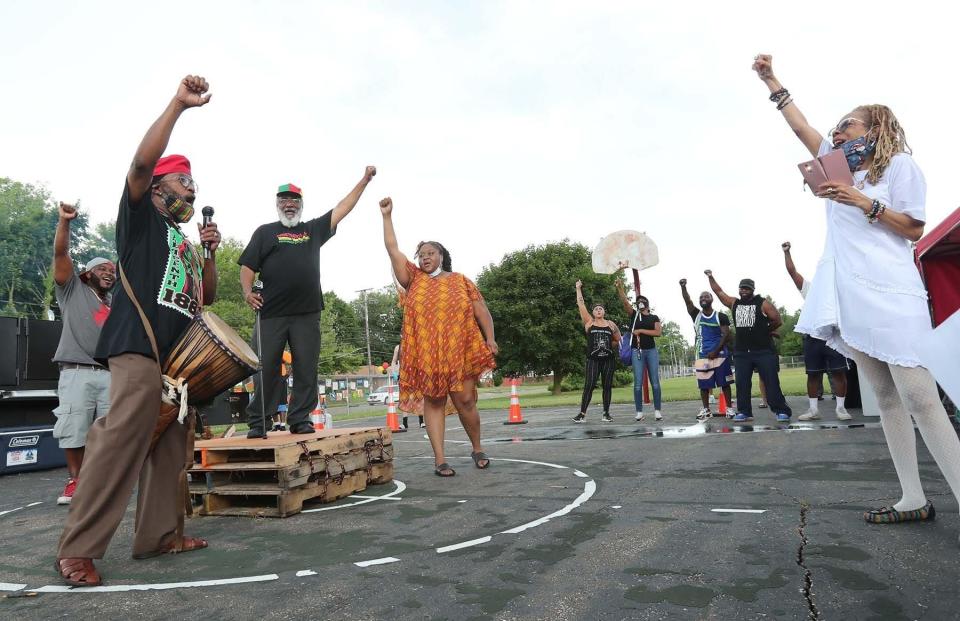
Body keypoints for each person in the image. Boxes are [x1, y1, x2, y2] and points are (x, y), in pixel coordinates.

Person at [753, 54, 960, 528]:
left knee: (920, 396)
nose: (838, 131)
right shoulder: (834, 169)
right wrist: (771, 81)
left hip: (892, 289)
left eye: (848, 124)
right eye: (837, 127)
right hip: (847, 291)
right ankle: (912, 497)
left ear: (876, 128)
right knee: (884, 396)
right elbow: (799, 126)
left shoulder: (901, 167)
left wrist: (863, 202)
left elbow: (913, 227)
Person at [55, 75, 220, 586]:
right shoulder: (139, 221)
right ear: (157, 188)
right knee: (118, 441)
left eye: (193, 181)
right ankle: (77, 548)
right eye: (182, 180)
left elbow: (206, 297)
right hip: (135, 349)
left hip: (175, 361)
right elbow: (141, 164)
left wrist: (210, 251)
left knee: (171, 446)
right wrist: (177, 106)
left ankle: (159, 536)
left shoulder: (182, 242)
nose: (191, 188)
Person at [240, 169, 376, 438]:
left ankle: (300, 418)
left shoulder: (312, 229)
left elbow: (342, 209)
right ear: (277, 204)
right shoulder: (265, 232)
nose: (289, 204)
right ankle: (259, 421)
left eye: (294, 201)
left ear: (300, 205)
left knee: (305, 367)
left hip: (307, 312)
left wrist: (364, 180)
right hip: (270, 313)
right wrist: (247, 293)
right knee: (264, 367)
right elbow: (247, 266)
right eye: (284, 200)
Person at [379, 196, 496, 477]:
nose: (425, 257)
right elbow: (392, 248)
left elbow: (482, 310)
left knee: (466, 400)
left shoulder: (460, 281)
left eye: (431, 253)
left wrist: (490, 339)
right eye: (421, 254)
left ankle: (477, 447)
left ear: (441, 256)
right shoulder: (413, 279)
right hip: (428, 354)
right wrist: (387, 217)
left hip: (461, 350)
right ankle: (440, 460)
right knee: (433, 401)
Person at [51, 202, 115, 505]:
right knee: (74, 429)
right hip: (77, 371)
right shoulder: (72, 290)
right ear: (87, 274)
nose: (109, 273)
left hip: (109, 374)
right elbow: (61, 255)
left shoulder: (114, 303)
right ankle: (75, 481)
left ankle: (98, 482)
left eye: (112, 271)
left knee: (106, 433)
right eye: (103, 269)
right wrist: (65, 222)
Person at [705, 271, 792, 423]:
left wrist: (766, 330)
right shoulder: (735, 303)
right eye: (741, 288)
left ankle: (781, 411)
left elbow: (777, 319)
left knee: (771, 381)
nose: (743, 291)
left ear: (752, 290)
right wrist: (710, 277)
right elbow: (719, 292)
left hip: (763, 350)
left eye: (746, 288)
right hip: (742, 352)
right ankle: (745, 412)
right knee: (742, 384)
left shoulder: (762, 303)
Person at [781, 241, 851, 421]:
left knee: (839, 373)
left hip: (834, 337)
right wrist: (787, 252)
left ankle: (841, 408)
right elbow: (792, 272)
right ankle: (813, 410)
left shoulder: (839, 291)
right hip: (812, 338)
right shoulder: (810, 289)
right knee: (813, 375)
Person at [679, 278, 734, 420]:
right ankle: (706, 410)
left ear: (712, 299)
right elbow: (687, 301)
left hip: (720, 355)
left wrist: (716, 351)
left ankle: (729, 409)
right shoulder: (696, 315)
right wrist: (683, 287)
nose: (703, 298)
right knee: (704, 386)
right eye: (701, 297)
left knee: (725, 383)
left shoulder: (720, 316)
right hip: (702, 355)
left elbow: (726, 334)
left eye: (706, 296)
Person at [573, 281, 622, 423]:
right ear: (593, 312)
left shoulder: (611, 324)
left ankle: (606, 413)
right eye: (596, 309)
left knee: (607, 387)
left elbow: (618, 340)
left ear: (604, 311)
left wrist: (608, 345)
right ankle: (582, 414)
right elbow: (581, 304)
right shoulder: (589, 322)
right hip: (593, 360)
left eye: (601, 309)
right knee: (589, 386)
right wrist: (578, 289)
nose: (599, 310)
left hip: (608, 360)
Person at [615, 280, 661, 421]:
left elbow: (657, 332)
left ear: (647, 303)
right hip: (637, 351)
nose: (640, 302)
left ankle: (657, 410)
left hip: (651, 351)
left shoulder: (654, 317)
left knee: (655, 382)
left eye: (642, 300)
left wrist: (640, 330)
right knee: (637, 383)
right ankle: (639, 411)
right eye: (638, 301)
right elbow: (625, 303)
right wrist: (620, 288)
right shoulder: (635, 315)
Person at [391, 344, 425, 430]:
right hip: (403, 376)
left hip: (415, 375)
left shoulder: (415, 344)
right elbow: (394, 361)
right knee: (405, 399)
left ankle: (421, 421)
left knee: (419, 398)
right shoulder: (398, 347)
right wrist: (394, 372)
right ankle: (404, 423)